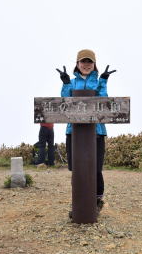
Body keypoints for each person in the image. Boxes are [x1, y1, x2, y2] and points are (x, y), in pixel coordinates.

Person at [56, 49, 116, 215]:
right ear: (77, 64)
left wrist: (103, 81)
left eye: (90, 62)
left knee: (95, 168)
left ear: (94, 64)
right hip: (73, 132)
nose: (86, 65)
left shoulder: (97, 82)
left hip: (96, 132)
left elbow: (103, 101)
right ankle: (78, 202)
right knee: (76, 169)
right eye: (83, 61)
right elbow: (64, 102)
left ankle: (96, 202)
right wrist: (66, 83)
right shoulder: (72, 82)